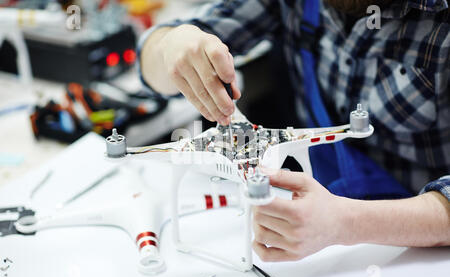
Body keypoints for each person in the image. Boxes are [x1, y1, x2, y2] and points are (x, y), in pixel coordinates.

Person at [138, 0, 450, 262]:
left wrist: (346, 222)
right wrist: (171, 46)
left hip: (424, 252)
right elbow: (152, 53)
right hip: (316, 234)